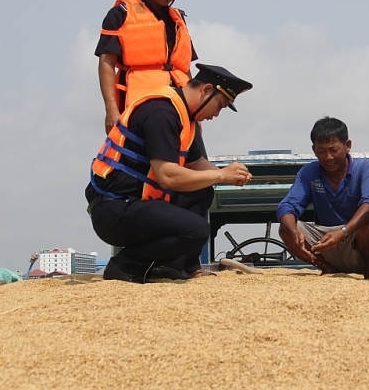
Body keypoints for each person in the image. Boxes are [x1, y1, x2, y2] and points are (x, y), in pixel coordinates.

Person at [86, 64, 253, 283]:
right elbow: (167, 176)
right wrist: (221, 176)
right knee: (197, 230)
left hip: (138, 205)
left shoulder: (186, 117)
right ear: (206, 90)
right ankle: (125, 266)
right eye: (219, 105)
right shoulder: (162, 111)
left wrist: (229, 175)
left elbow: (196, 163)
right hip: (114, 208)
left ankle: (172, 266)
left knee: (202, 192)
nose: (216, 114)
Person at [95, 0, 198, 134]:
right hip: (139, 106)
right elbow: (106, 63)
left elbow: (184, 67)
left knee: (186, 160)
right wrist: (111, 109)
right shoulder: (122, 13)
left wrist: (195, 114)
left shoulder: (178, 19)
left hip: (179, 107)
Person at [277, 117, 369, 279]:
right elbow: (287, 206)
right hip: (326, 242)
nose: (328, 157)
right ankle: (327, 268)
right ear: (314, 149)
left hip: (356, 237)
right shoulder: (309, 172)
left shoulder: (365, 167)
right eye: (321, 151)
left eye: (333, 150)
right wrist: (294, 233)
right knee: (285, 229)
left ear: (347, 145)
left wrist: (343, 232)